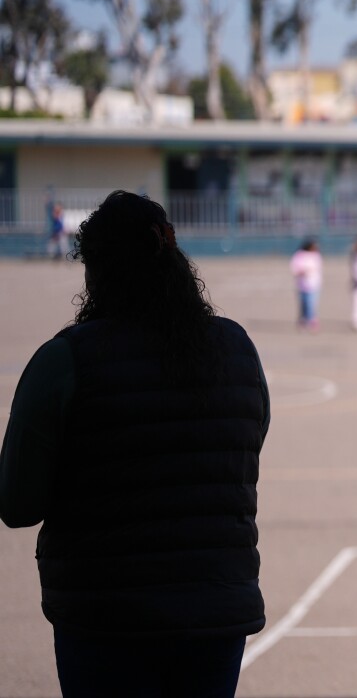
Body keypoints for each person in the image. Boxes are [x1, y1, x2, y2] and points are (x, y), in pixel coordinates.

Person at [0, 190, 269, 697]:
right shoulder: (237, 349)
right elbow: (249, 445)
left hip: (104, 617)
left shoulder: (64, 362)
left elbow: (17, 505)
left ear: (95, 271)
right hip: (215, 612)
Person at [289, 238, 322, 331]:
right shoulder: (299, 255)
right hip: (302, 285)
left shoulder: (316, 255)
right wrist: (301, 271)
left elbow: (317, 268)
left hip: (313, 284)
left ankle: (312, 322)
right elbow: (294, 267)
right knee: (303, 304)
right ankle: (302, 320)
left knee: (311, 304)